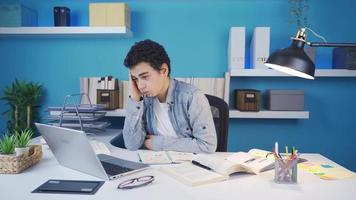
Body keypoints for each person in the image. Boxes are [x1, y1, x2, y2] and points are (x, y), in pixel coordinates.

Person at [122, 39, 217, 153]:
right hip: (155, 165)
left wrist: (158, 143)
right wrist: (135, 99)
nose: (140, 85)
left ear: (164, 70)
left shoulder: (192, 97)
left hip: (188, 167)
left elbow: (207, 145)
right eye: (135, 79)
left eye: (145, 77)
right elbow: (131, 145)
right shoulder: (143, 100)